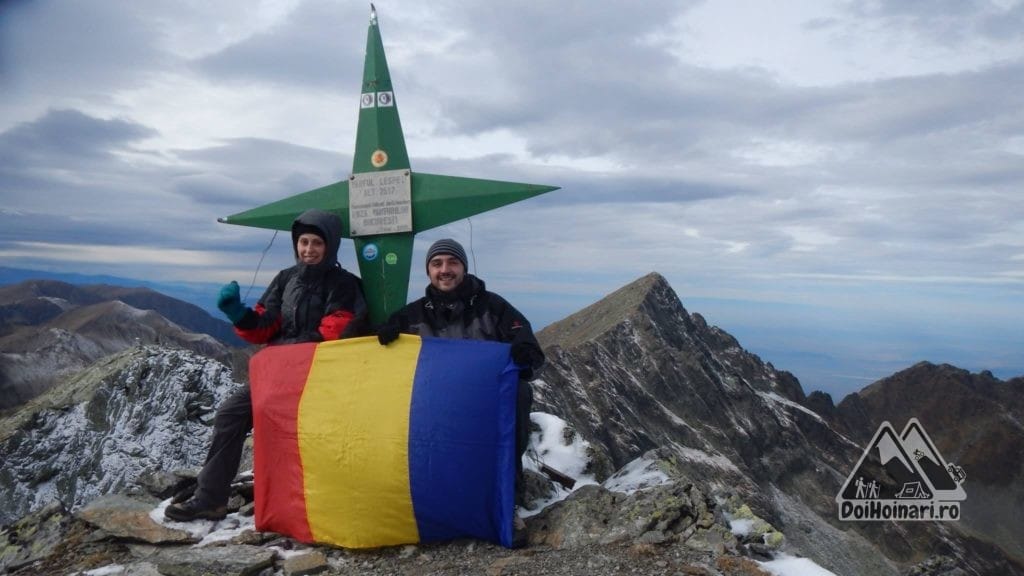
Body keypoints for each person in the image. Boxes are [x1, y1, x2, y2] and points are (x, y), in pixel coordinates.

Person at [165, 209, 367, 522]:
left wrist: (285, 352)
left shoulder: (344, 285)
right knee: (231, 414)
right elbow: (265, 326)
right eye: (303, 242)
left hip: (318, 375)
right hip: (276, 373)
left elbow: (335, 330)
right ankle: (211, 499)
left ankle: (303, 505)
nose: (308, 249)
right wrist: (237, 313)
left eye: (316, 243)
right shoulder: (285, 279)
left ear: (330, 246)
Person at [376, 238, 545, 494]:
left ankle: (508, 484)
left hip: (484, 399)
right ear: (429, 271)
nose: (445, 269)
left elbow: (530, 347)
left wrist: (524, 355)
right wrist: (383, 339)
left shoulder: (494, 307)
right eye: (437, 263)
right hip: (434, 402)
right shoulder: (410, 316)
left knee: (520, 392)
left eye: (452, 262)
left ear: (463, 268)